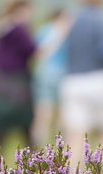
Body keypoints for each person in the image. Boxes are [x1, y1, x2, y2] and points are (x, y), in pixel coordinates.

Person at [60, 0, 103, 170]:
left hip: (73, 81)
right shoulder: (102, 19)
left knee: (75, 135)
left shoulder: (70, 18)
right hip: (101, 80)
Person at [0, 0, 35, 174]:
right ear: (20, 9)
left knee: (0, 131)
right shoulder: (18, 29)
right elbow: (32, 50)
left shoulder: (1, 27)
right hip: (18, 84)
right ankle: (35, 171)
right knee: (27, 129)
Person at [30, 9, 70, 147]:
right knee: (63, 113)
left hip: (42, 73)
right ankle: (61, 147)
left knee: (42, 114)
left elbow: (35, 53)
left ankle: (38, 147)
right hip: (63, 74)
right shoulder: (67, 31)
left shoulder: (43, 30)